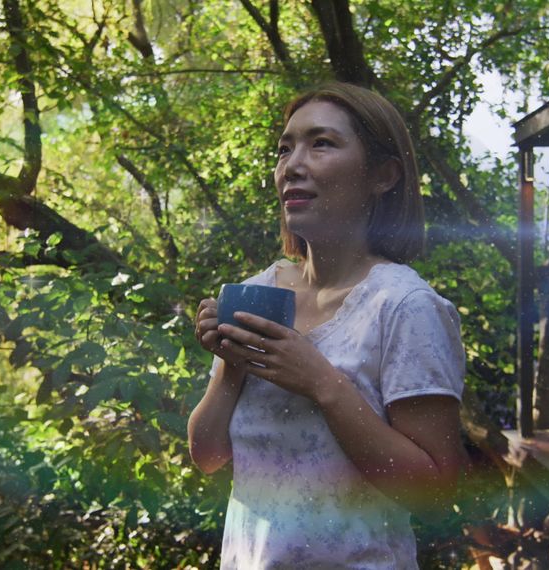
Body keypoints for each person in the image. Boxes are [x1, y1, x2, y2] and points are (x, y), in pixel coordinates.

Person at [188, 82, 468, 569]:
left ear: (382, 175)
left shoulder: (404, 307)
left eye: (321, 143)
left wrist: (321, 382)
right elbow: (208, 455)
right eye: (284, 148)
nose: (291, 165)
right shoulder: (259, 292)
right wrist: (233, 364)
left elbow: (436, 493)